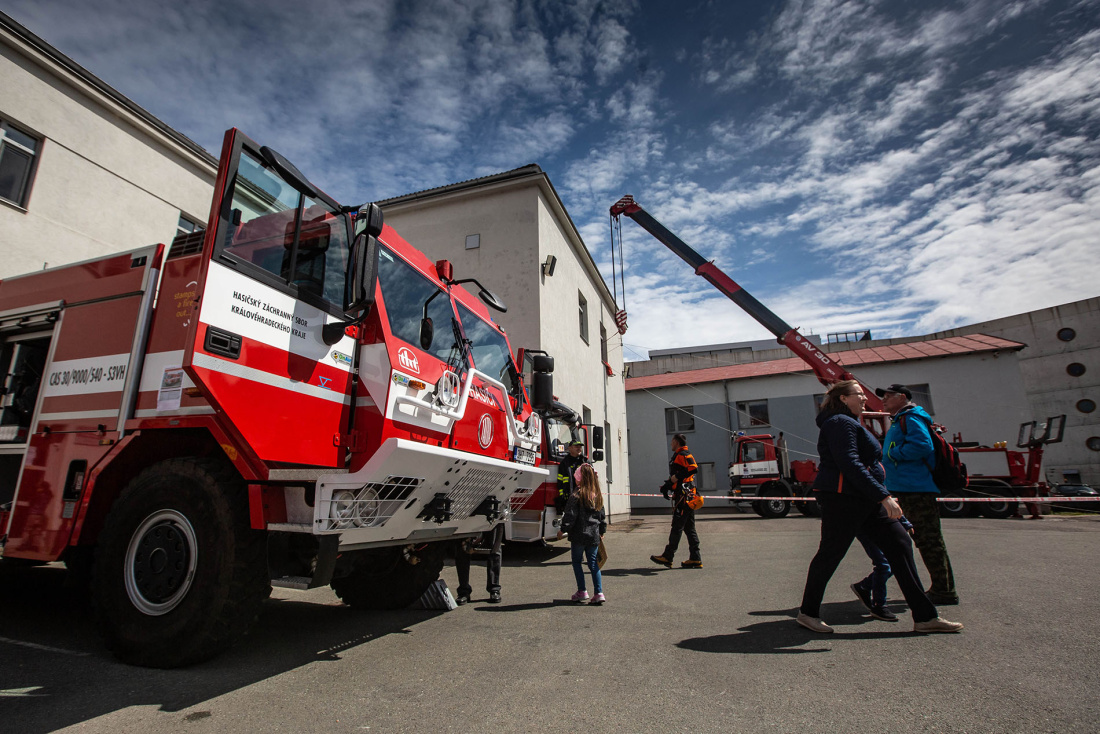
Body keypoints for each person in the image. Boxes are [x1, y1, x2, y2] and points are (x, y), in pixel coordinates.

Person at [797, 380, 962, 634]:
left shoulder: (851, 423)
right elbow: (849, 463)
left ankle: (925, 616)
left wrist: (882, 498)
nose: (865, 398)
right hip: (843, 499)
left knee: (900, 543)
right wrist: (884, 496)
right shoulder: (839, 423)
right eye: (859, 394)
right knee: (830, 554)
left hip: (866, 499)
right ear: (843, 399)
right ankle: (808, 613)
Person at [877, 383, 960, 605]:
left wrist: (893, 454)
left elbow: (922, 446)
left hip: (916, 489)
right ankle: (941, 588)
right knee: (923, 539)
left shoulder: (910, 418)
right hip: (908, 487)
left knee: (928, 540)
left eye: (888, 396)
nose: (883, 400)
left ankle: (944, 591)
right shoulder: (902, 418)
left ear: (902, 397)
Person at [650, 433, 703, 569]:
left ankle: (668, 556)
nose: (670, 444)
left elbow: (693, 468)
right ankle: (695, 558)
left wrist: (675, 478)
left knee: (677, 527)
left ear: (676, 442)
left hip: (684, 497)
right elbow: (677, 477)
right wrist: (667, 486)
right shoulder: (679, 455)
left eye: (672, 442)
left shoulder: (684, 453)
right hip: (686, 495)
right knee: (689, 528)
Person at [558, 463, 607, 604]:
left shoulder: (577, 494)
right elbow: (602, 516)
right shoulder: (597, 495)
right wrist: (602, 531)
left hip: (579, 535)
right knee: (593, 564)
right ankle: (599, 593)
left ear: (579, 478)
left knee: (577, 562)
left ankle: (582, 591)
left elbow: (570, 515)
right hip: (593, 535)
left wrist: (563, 529)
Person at [849, 515, 914, 623]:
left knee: (895, 563)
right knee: (884, 566)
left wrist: (904, 522)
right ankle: (879, 605)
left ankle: (864, 586)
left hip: (881, 524)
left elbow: (887, 503)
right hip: (865, 527)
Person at [454, 523, 504, 605]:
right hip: (468, 513)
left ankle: (494, 589)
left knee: (495, 547)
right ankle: (463, 591)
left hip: (493, 513)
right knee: (462, 548)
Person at [555, 439, 586, 513]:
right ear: (570, 448)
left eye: (580, 447)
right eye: (576, 446)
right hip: (569, 497)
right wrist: (562, 495)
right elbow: (560, 481)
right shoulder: (564, 463)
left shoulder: (585, 462)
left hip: (583, 497)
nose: (579, 448)